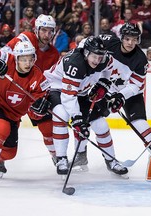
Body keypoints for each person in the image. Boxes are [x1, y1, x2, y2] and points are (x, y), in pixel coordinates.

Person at [0, 41, 51, 186]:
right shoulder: (6, 59)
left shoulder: (39, 79)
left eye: (30, 59)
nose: (27, 63)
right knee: (2, 127)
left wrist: (40, 109)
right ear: (16, 58)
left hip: (12, 116)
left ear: (34, 59)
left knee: (10, 153)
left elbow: (35, 113)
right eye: (23, 59)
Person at [44, 36, 127, 176]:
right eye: (94, 56)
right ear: (86, 52)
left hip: (79, 91)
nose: (97, 60)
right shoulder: (75, 63)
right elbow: (68, 96)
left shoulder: (103, 59)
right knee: (62, 116)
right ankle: (61, 159)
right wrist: (77, 119)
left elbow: (111, 69)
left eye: (100, 57)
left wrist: (104, 83)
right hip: (56, 88)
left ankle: (111, 160)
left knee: (101, 125)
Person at [1, 14, 59, 165]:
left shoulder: (54, 54)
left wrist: (44, 97)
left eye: (50, 31)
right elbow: (5, 52)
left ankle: (57, 157)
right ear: (36, 30)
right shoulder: (26, 39)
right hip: (14, 90)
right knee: (8, 128)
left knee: (47, 126)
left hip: (34, 93)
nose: (47, 35)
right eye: (44, 30)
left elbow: (49, 81)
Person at [100, 23, 151, 154]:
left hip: (130, 93)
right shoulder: (109, 42)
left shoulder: (141, 59)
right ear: (121, 37)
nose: (130, 43)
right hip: (105, 89)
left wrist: (121, 96)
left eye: (134, 39)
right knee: (93, 120)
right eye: (127, 39)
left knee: (140, 124)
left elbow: (136, 85)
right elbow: (87, 44)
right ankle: (83, 155)